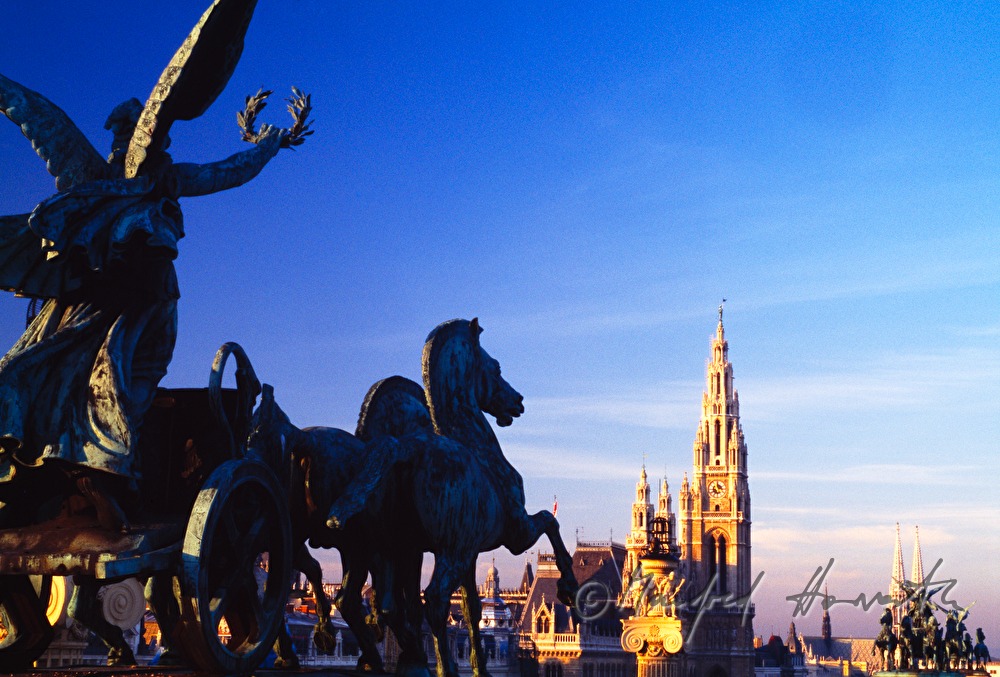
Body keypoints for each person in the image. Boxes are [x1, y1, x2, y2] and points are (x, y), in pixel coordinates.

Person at [0, 86, 287, 530]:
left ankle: (100, 478)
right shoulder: (99, 185)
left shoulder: (162, 181)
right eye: (122, 135)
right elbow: (39, 116)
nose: (124, 142)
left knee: (115, 383)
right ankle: (65, 477)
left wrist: (266, 147)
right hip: (92, 301)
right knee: (44, 371)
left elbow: (225, 173)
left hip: (144, 301)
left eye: (128, 134)